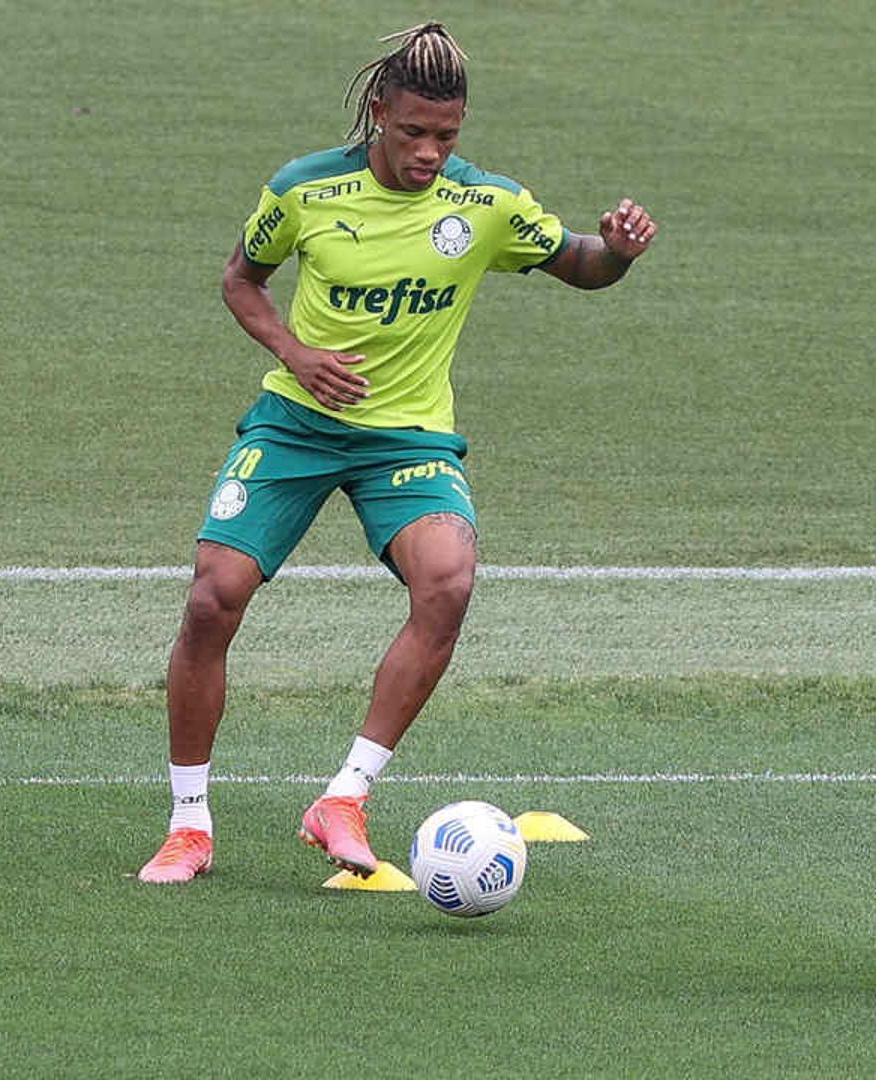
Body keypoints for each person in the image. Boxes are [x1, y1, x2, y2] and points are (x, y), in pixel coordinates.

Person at [138, 22, 657, 884]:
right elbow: (241, 278)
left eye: (446, 137)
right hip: (298, 423)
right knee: (212, 597)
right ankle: (189, 824)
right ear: (378, 111)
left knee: (448, 581)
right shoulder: (306, 190)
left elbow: (580, 263)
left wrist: (622, 252)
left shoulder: (485, 206)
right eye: (413, 132)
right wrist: (294, 353)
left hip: (406, 438)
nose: (428, 152)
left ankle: (344, 797)